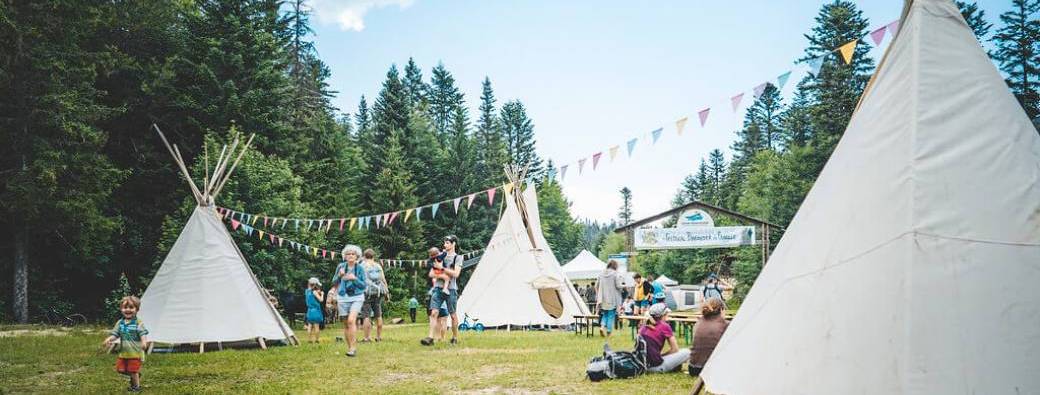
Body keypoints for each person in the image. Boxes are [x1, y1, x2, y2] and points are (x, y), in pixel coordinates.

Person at [421, 235, 464, 346]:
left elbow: (456, 274)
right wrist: (442, 274)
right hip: (438, 289)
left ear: (454, 244)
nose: (445, 245)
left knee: (453, 315)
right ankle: (430, 338)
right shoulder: (440, 256)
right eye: (444, 243)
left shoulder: (458, 258)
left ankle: (454, 337)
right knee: (434, 312)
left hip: (452, 289)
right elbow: (431, 273)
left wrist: (442, 269)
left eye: (448, 243)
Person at [102, 296, 150, 392]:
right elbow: (115, 334)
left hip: (135, 353)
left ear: (137, 309)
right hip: (124, 353)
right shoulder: (120, 323)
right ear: (121, 309)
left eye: (131, 307)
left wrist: (144, 342)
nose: (128, 310)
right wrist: (109, 339)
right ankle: (136, 375)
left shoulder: (138, 323)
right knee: (120, 369)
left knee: (132, 370)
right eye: (125, 307)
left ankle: (136, 387)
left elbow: (143, 334)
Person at [331, 244, 366, 357]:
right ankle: (350, 347)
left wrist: (354, 278)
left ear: (357, 256)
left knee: (351, 321)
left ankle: (353, 348)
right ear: (344, 256)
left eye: (353, 254)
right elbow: (334, 282)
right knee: (346, 324)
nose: (350, 256)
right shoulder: (341, 266)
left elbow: (363, 285)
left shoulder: (360, 268)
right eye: (348, 254)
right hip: (342, 297)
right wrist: (340, 276)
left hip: (357, 297)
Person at [640, 303, 690, 373]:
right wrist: (662, 355)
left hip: (643, 365)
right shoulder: (664, 326)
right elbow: (675, 349)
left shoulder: (643, 326)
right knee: (687, 352)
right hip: (656, 367)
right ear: (663, 315)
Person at [689, 297, 729, 377]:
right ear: (721, 310)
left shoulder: (699, 322)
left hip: (693, 369)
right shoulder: (725, 324)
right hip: (711, 370)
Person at [361, 249, 389, 342]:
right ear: (373, 256)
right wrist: (386, 292)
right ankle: (379, 337)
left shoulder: (362, 266)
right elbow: (383, 280)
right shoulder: (378, 266)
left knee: (366, 315)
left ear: (364, 256)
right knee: (378, 314)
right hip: (378, 292)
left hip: (366, 293)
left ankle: (367, 337)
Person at [595, 260, 624, 337]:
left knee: (605, 315)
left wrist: (598, 295)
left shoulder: (601, 273)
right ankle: (608, 331)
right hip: (612, 299)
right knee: (611, 315)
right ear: (615, 266)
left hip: (603, 298)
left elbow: (596, 285)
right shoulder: (615, 274)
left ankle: (602, 327)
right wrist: (624, 286)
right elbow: (618, 286)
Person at [304, 277, 325, 343]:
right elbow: (321, 300)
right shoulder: (314, 292)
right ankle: (317, 340)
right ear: (315, 284)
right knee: (316, 326)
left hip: (309, 310)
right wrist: (322, 294)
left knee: (310, 325)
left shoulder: (307, 291)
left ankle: (309, 340)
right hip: (315, 310)